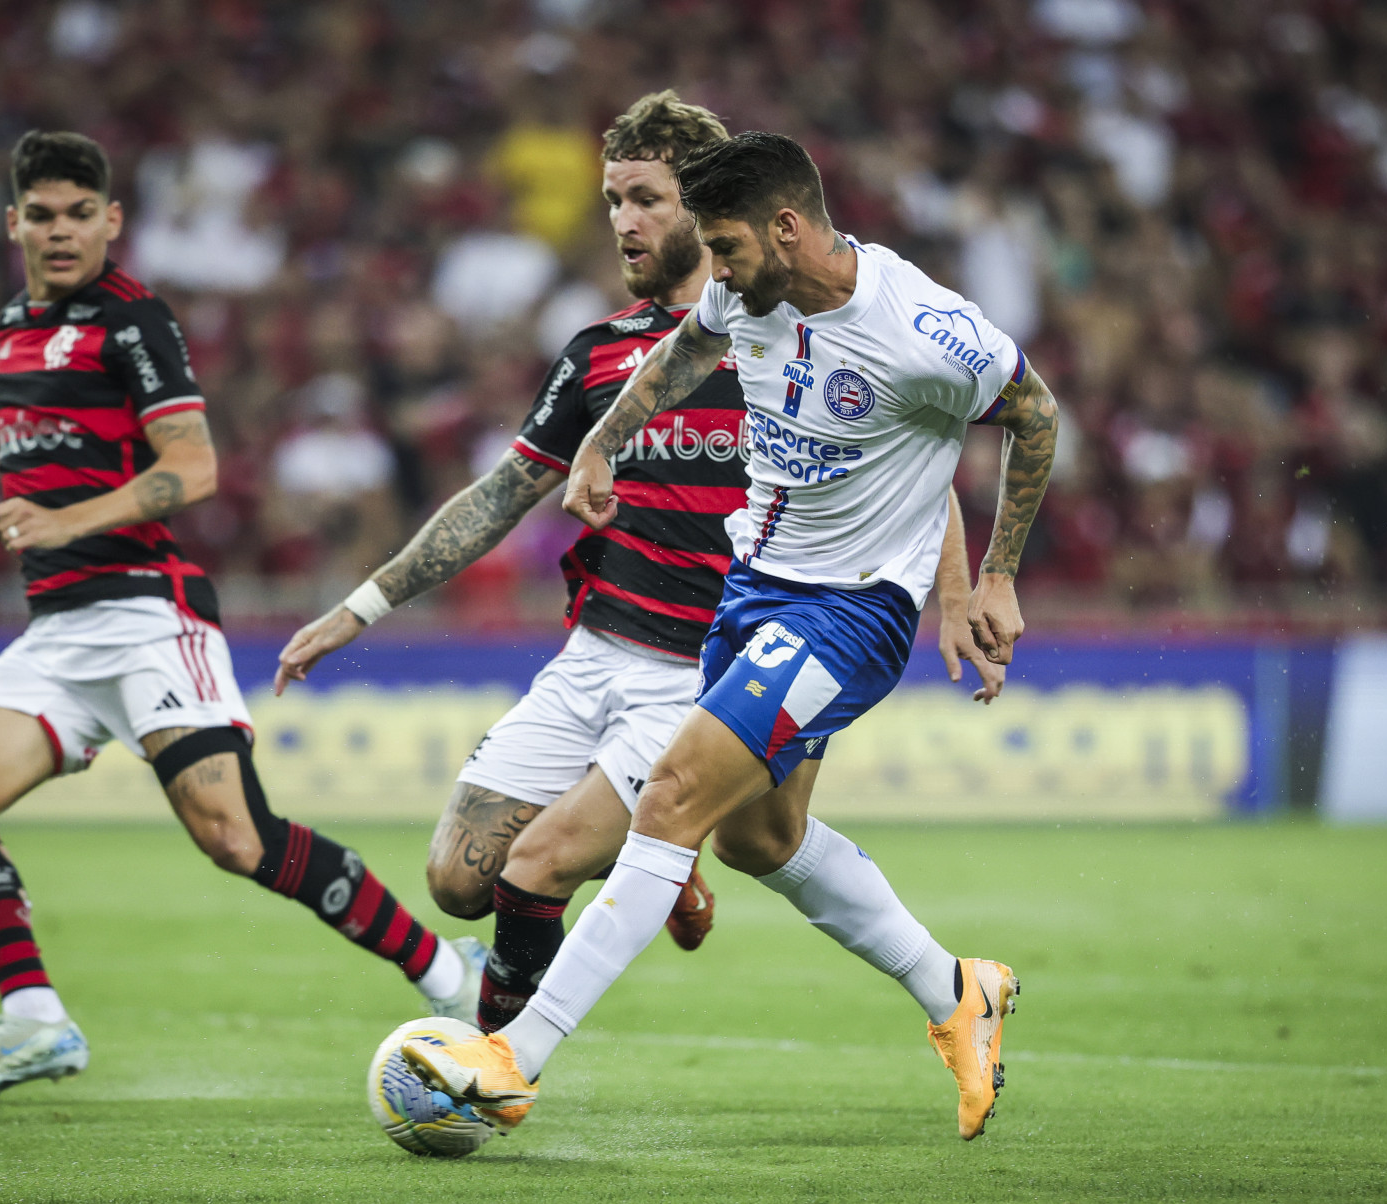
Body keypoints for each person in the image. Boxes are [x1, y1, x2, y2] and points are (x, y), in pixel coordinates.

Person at [279, 95, 1003, 1036]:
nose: (623, 220)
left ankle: (493, 1065)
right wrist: (358, 609)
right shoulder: (598, 356)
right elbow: (502, 494)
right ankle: (670, 868)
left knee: (545, 866)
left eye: (647, 198)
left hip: (709, 669)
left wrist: (957, 592)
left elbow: (907, 463)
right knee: (461, 879)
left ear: (705, 208)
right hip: (596, 648)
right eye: (613, 197)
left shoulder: (786, 335)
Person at [401, 132, 1058, 1142]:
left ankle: (512, 1056)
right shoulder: (745, 292)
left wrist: (996, 575)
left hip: (849, 612)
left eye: (729, 247)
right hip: (753, 590)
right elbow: (687, 349)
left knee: (670, 797)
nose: (716, 271)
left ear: (787, 227)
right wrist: (602, 442)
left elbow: (1036, 413)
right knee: (763, 838)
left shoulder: (927, 330)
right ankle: (958, 988)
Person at [0, 131, 480, 1101]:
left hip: (146, 617)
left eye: (80, 214)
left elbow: (194, 470)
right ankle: (36, 1019)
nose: (60, 232)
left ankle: (448, 974)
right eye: (41, 215)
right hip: (57, 633)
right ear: (13, 223)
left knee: (236, 839)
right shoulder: (11, 323)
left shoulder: (136, 321)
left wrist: (62, 520)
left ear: (111, 221)